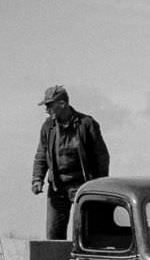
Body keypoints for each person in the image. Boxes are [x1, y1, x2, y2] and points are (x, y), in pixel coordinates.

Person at [31, 85, 111, 240]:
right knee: (53, 234)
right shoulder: (48, 126)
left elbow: (102, 156)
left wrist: (100, 184)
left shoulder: (86, 124)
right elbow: (41, 154)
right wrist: (37, 179)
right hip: (57, 187)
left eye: (49, 105)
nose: (46, 109)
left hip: (82, 186)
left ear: (62, 104)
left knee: (83, 233)